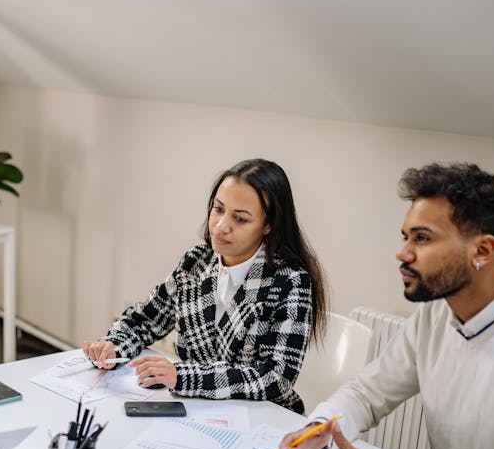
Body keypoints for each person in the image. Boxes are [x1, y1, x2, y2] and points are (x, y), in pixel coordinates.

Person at [269, 163, 494, 449]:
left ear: (482, 250)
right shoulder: (434, 314)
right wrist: (318, 429)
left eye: (422, 238)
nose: (402, 253)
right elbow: (366, 393)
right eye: (405, 237)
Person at [82, 159, 327, 413]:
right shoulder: (196, 261)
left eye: (240, 219)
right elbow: (145, 320)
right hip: (195, 411)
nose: (221, 227)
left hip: (264, 419)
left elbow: (276, 378)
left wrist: (183, 376)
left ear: (268, 225)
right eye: (218, 209)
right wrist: (113, 345)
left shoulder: (291, 281)